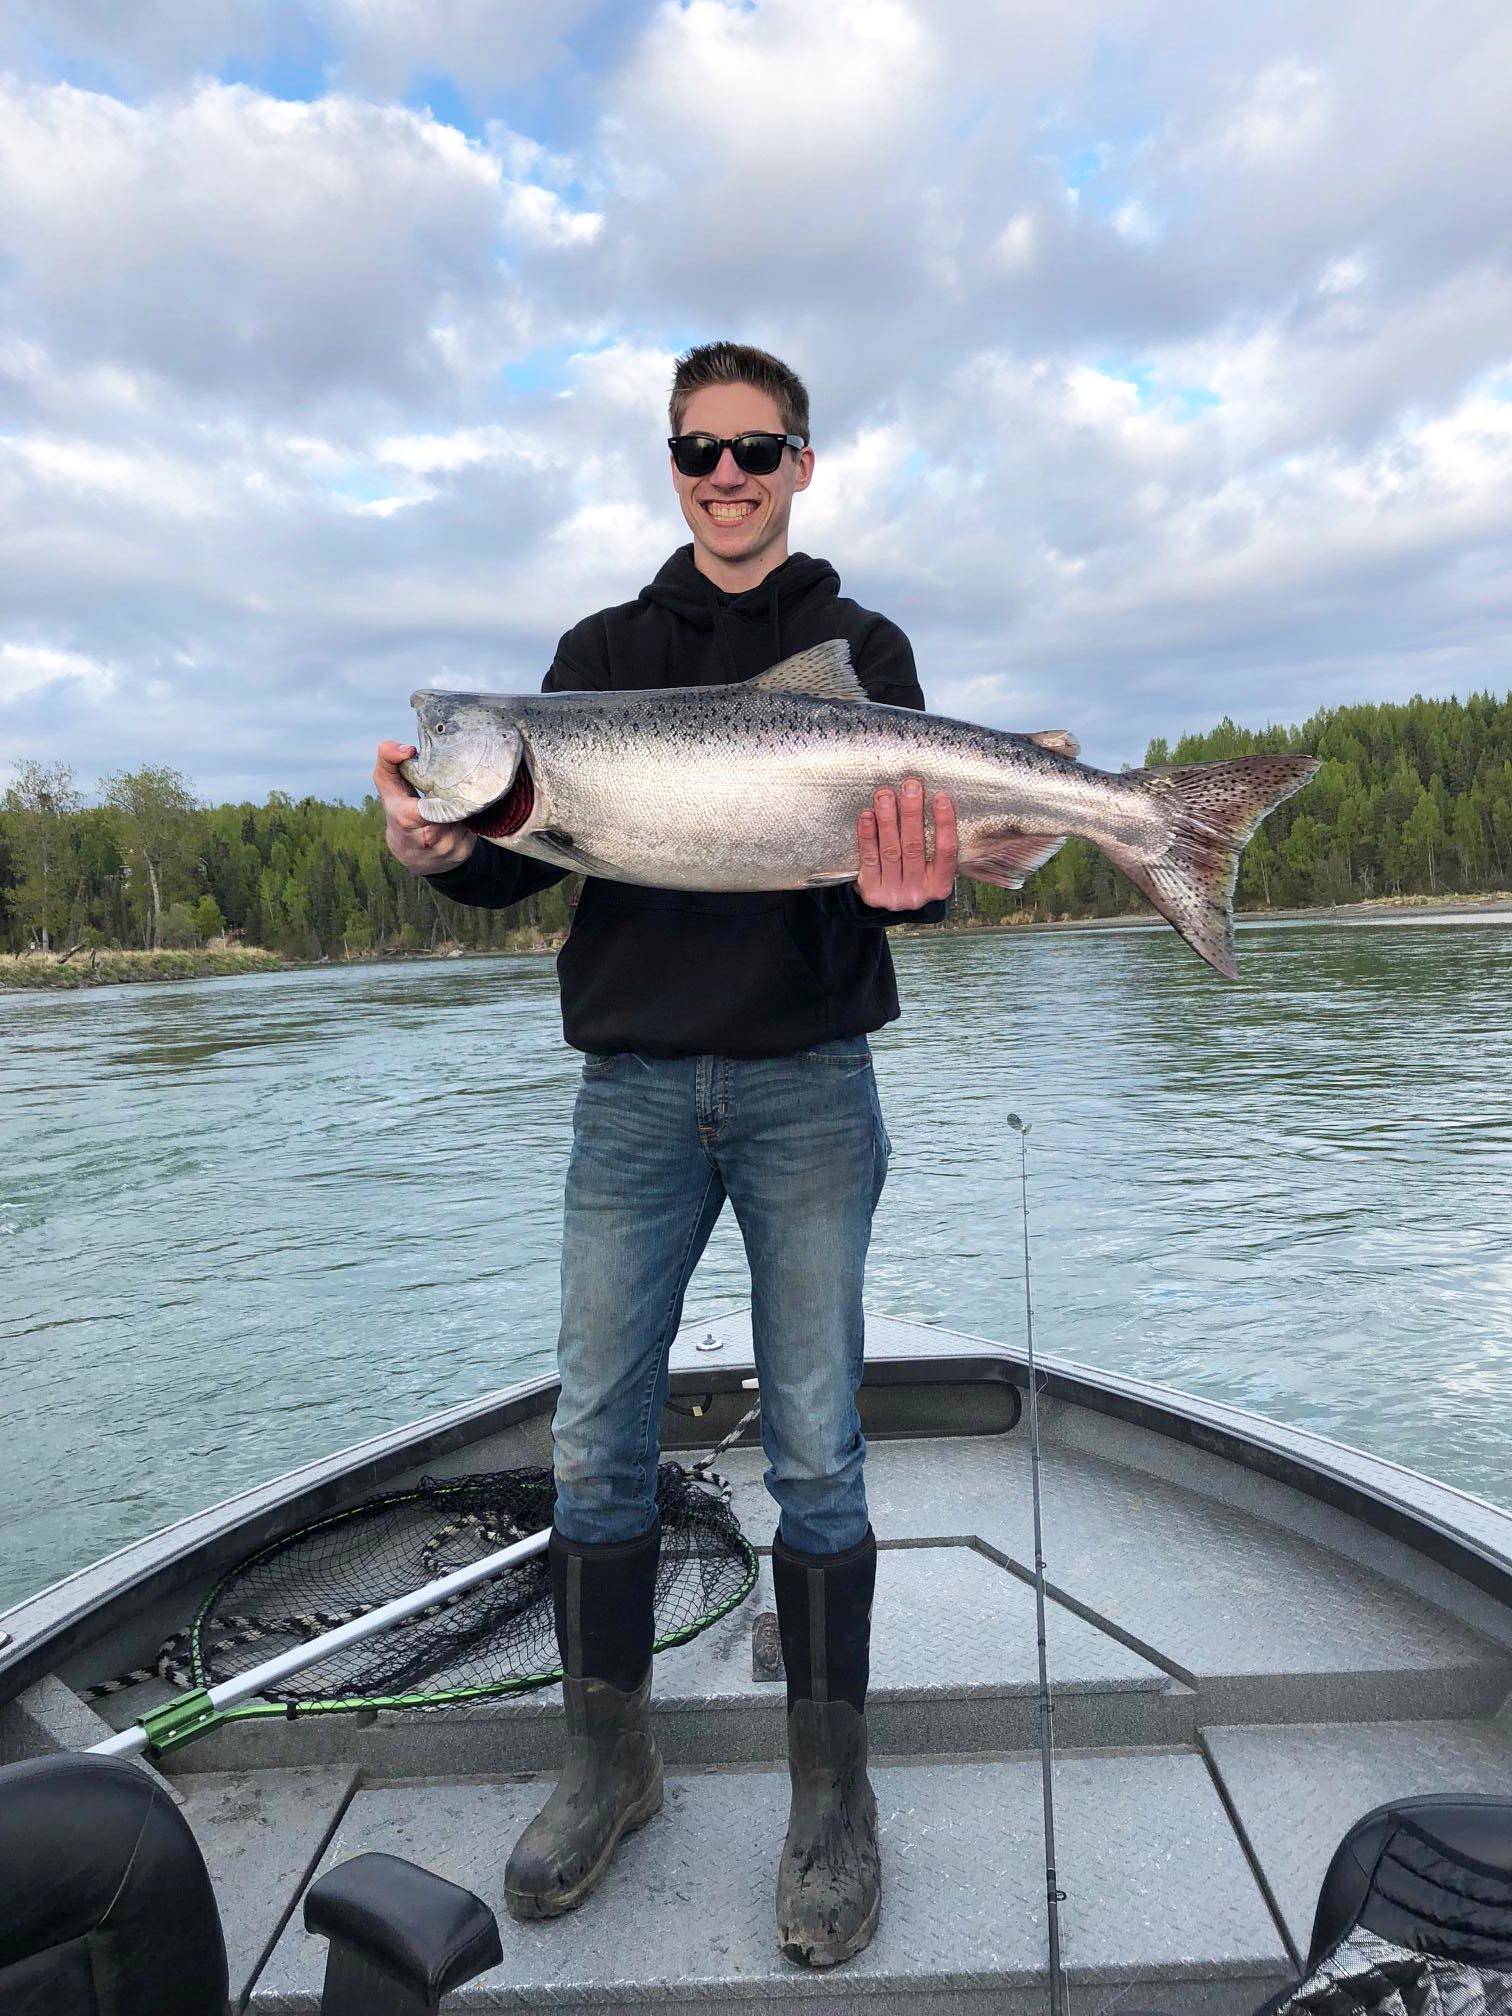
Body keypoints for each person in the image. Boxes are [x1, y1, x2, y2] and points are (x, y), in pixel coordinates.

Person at [374, 341, 957, 1969]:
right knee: (590, 1439)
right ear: (672, 461)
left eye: (756, 450)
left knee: (823, 1446)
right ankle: (607, 1760)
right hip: (631, 1097)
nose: (725, 475)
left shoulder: (865, 645)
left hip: (810, 1088)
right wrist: (439, 843)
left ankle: (828, 1801)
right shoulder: (595, 658)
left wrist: (926, 884)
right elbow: (519, 864)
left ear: (802, 466)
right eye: (699, 449)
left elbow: (908, 860)